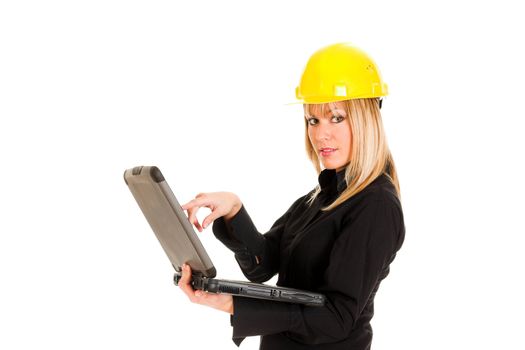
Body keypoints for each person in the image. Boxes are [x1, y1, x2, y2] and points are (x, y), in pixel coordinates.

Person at [178, 42, 405, 349]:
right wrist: (234, 210)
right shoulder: (321, 197)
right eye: (313, 120)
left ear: (367, 118)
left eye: (336, 117)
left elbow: (335, 319)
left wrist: (232, 305)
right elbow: (262, 264)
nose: (320, 133)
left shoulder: (374, 205)